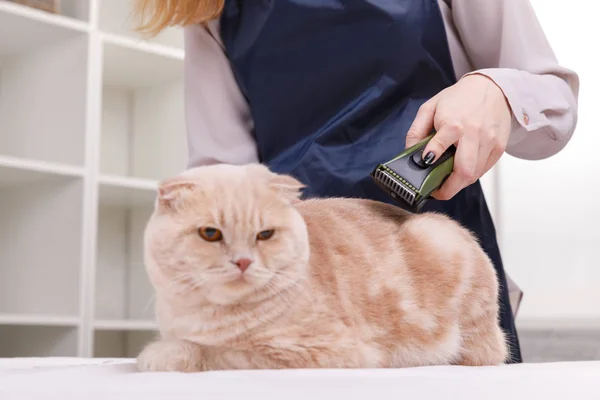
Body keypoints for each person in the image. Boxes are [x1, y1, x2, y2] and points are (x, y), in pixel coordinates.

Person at [134, 0, 579, 363]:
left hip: (432, 279)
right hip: (291, 295)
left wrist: (497, 93)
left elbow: (554, 105)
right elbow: (221, 174)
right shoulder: (209, 8)